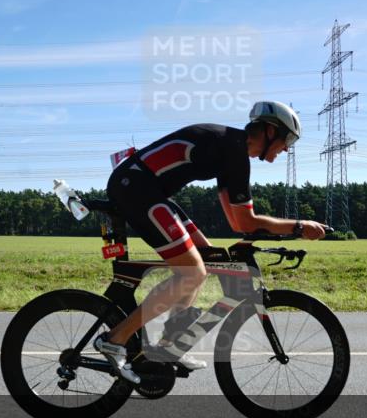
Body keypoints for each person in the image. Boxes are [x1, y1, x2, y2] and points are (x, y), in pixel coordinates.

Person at [93, 101, 328, 384]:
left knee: (206, 258)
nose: (287, 148)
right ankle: (115, 339)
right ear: (269, 131)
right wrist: (300, 227)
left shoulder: (231, 149)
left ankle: (169, 346)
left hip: (145, 190)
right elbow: (246, 222)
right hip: (137, 190)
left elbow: (237, 221)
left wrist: (267, 234)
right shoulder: (233, 150)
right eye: (287, 139)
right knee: (192, 271)